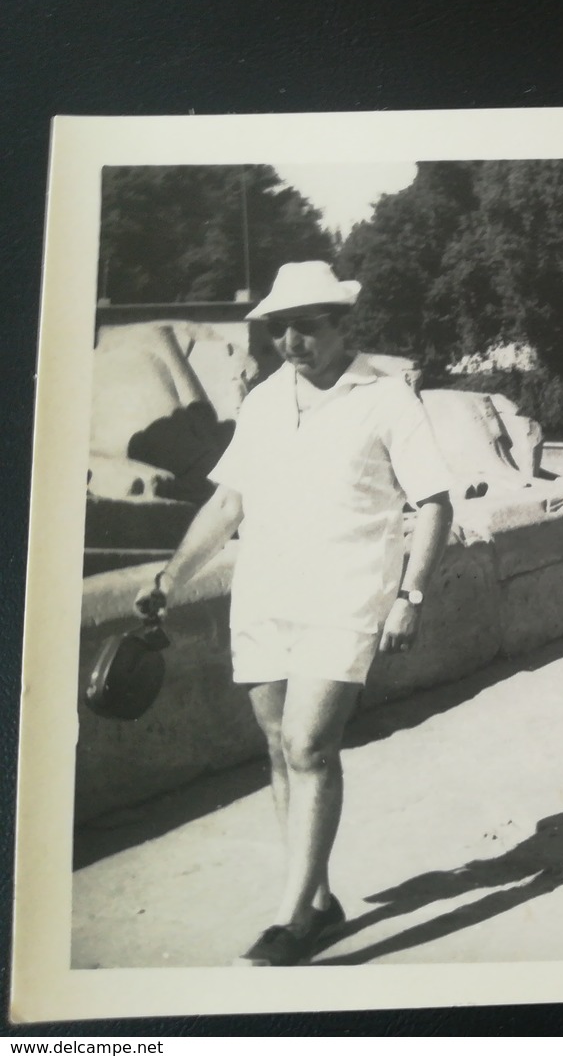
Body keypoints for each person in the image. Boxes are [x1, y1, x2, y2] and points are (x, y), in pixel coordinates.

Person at [135, 261, 454, 966]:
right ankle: (316, 897)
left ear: (344, 326)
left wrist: (412, 594)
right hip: (266, 594)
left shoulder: (390, 398)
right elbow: (228, 501)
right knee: (280, 745)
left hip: (346, 594)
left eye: (307, 327)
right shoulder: (264, 401)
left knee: (311, 746)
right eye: (281, 328)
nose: (291, 342)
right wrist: (171, 577)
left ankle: (290, 920)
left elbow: (433, 501)